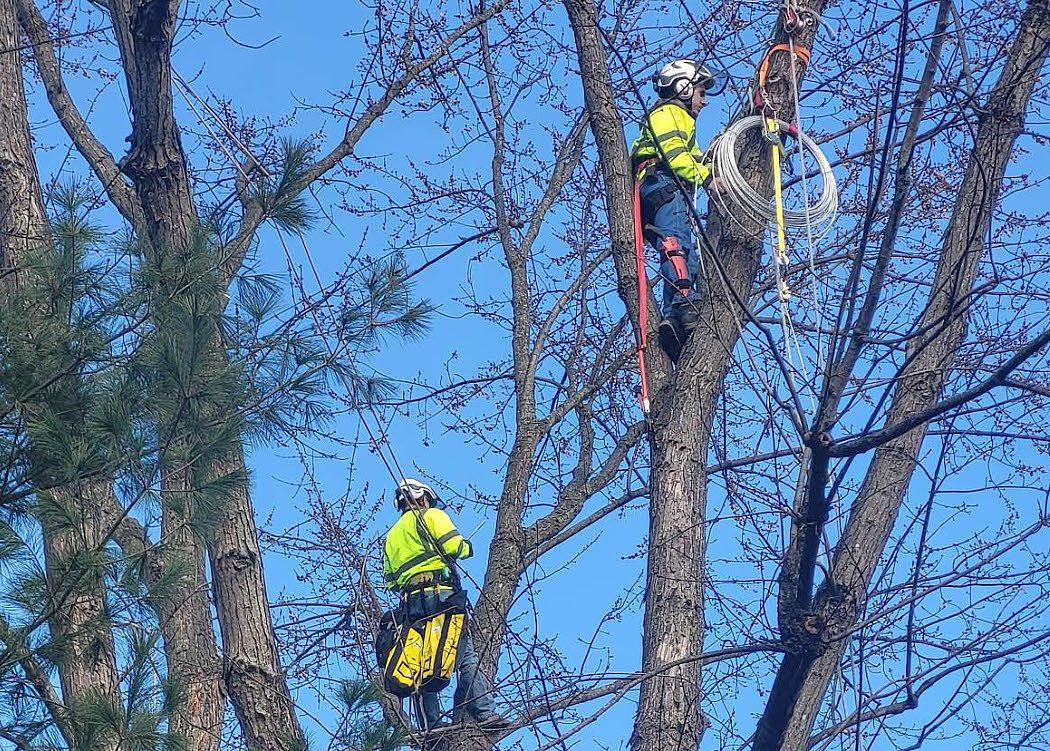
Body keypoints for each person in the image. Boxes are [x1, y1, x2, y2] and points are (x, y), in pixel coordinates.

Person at [382, 478, 511, 732]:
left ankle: (433, 727)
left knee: (419, 665)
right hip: (441, 596)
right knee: (465, 656)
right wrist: (466, 547)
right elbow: (455, 546)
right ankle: (485, 712)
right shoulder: (431, 516)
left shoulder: (392, 535)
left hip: (411, 605)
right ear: (423, 498)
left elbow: (391, 581)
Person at [630, 59, 724, 363]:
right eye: (700, 92)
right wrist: (707, 178)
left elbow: (693, 157)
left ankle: (674, 321)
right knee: (677, 246)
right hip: (662, 185)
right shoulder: (667, 114)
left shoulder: (682, 122)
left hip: (666, 188)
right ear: (683, 88)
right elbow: (676, 156)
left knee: (689, 259)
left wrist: (713, 159)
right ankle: (683, 302)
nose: (704, 100)